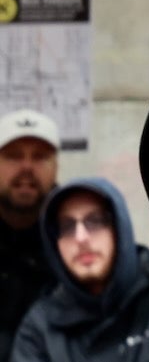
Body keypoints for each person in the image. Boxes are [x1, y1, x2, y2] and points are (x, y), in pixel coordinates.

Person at [10, 178, 149, 361]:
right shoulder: (40, 328)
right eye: (67, 226)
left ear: (119, 229)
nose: (81, 238)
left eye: (94, 221)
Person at [0, 111, 59, 360]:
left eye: (40, 157)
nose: (26, 167)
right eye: (13, 156)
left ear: (56, 167)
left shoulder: (75, 239)